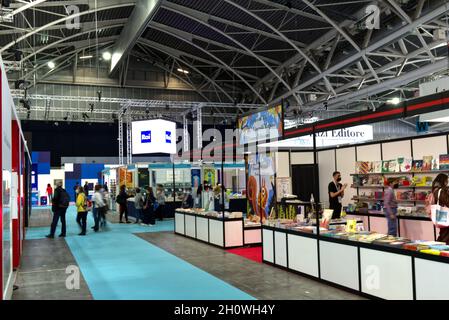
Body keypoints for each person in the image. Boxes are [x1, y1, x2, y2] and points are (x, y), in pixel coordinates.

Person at [428, 174, 449, 244]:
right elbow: (446, 202)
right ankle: (440, 250)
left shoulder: (436, 189)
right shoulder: (441, 190)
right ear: (444, 181)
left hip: (442, 214)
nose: (447, 182)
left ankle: (439, 248)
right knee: (445, 235)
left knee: (443, 234)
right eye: (446, 181)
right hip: (446, 215)